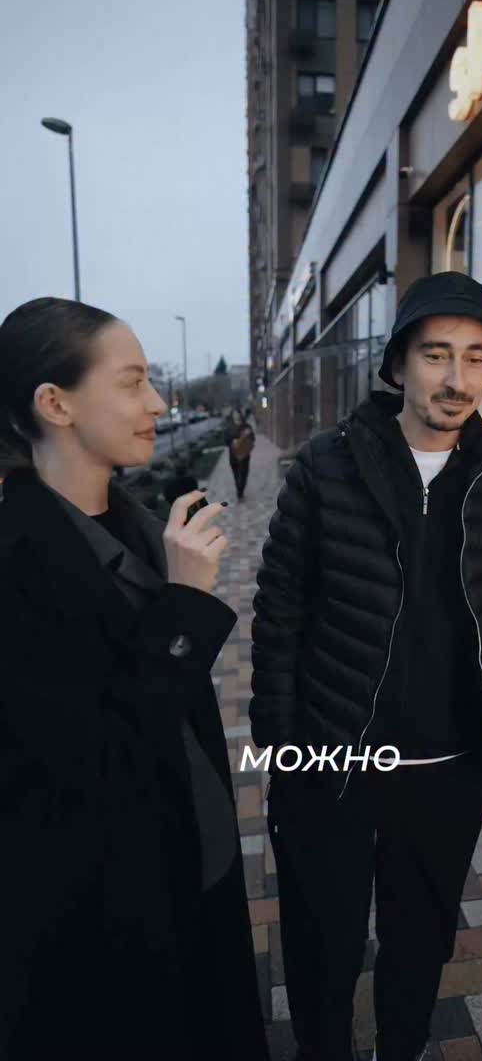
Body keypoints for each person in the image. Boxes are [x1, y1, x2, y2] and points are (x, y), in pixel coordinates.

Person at [250, 271, 482, 1061]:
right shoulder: (327, 466)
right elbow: (279, 617)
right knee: (323, 946)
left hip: (445, 773)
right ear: (397, 365)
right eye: (436, 354)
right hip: (332, 764)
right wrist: (283, 748)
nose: (457, 379)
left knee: (419, 948)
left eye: (476, 358)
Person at [0, 297, 268, 1061]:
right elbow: (99, 766)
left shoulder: (133, 523)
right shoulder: (17, 566)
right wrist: (184, 607)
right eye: (132, 382)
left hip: (195, 871)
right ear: (55, 404)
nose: (157, 404)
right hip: (115, 928)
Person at [225, 406, 255, 501]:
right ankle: (239, 491)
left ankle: (240, 492)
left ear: (241, 415)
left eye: (238, 414)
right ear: (232, 416)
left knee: (244, 474)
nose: (237, 416)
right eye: (235, 414)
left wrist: (248, 434)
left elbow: (253, 439)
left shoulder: (246, 426)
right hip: (233, 455)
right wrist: (232, 441)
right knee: (236, 475)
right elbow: (226, 441)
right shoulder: (229, 427)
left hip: (244, 455)